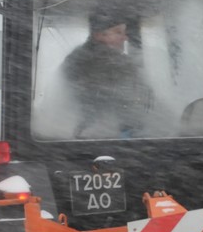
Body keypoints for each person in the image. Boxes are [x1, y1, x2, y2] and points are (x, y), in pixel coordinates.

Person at [62, 9, 152, 138]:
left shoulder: (76, 57)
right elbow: (130, 101)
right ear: (99, 35)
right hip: (106, 136)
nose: (125, 37)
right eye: (118, 32)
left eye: (124, 32)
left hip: (86, 133)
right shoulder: (115, 62)